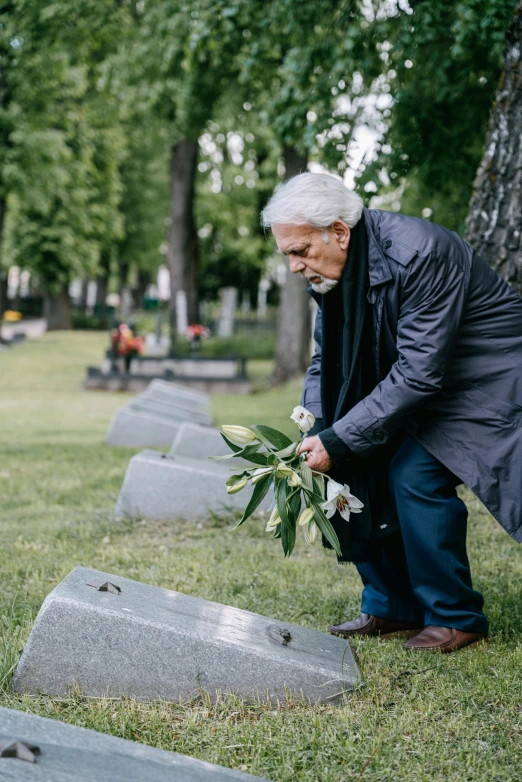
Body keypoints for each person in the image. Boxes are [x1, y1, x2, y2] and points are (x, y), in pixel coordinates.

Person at [261, 172, 522, 653]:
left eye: (300, 252)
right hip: (419, 382)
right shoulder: (329, 270)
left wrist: (340, 439)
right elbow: (326, 359)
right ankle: (391, 604)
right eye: (288, 255)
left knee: (412, 474)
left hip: (484, 379)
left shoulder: (422, 251)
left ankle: (455, 616)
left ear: (339, 232)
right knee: (349, 467)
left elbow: (421, 372)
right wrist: (320, 429)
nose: (295, 267)